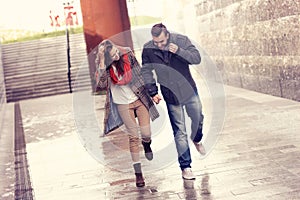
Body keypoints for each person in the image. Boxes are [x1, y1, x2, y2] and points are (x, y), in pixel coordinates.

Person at [141, 23, 206, 180]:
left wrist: (179, 51)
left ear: (167, 35)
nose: (159, 45)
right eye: (156, 42)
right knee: (180, 131)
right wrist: (153, 92)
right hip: (170, 94)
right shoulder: (148, 49)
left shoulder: (181, 41)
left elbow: (196, 58)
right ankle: (186, 167)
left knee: (198, 119)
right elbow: (146, 71)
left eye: (162, 42)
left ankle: (197, 139)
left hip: (189, 90)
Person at [95, 39, 159, 187]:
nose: (116, 55)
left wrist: (153, 93)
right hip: (123, 103)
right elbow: (101, 85)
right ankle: (138, 174)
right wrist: (104, 62)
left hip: (138, 97)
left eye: (116, 52)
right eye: (113, 55)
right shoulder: (104, 64)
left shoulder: (127, 53)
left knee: (146, 132)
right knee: (133, 137)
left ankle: (147, 143)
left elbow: (141, 74)